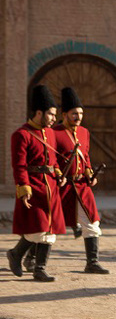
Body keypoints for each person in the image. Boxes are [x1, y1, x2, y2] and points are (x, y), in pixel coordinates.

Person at [6, 85, 66, 282]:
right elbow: (19, 165)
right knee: (37, 228)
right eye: (50, 114)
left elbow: (53, 161)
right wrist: (24, 189)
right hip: (34, 186)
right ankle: (16, 254)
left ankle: (40, 269)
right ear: (39, 112)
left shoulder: (50, 134)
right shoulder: (21, 135)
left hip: (51, 187)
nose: (52, 118)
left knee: (50, 229)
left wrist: (58, 173)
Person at [51, 87, 108, 274]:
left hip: (82, 185)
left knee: (92, 221)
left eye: (81, 113)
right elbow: (50, 158)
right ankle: (30, 258)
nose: (78, 117)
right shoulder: (54, 132)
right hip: (62, 186)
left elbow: (86, 156)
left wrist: (90, 172)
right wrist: (58, 174)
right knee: (49, 224)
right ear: (64, 114)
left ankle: (92, 262)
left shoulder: (84, 132)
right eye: (74, 113)